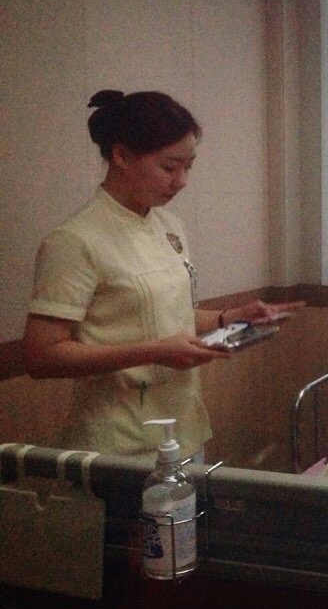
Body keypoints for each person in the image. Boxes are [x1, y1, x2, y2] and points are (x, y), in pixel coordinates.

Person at [23, 89, 303, 459]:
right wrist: (152, 353)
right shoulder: (75, 240)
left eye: (189, 167)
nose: (182, 181)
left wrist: (231, 318)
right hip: (119, 444)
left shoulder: (169, 227)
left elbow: (168, 315)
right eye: (169, 167)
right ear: (121, 155)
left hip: (184, 430)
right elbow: (41, 356)